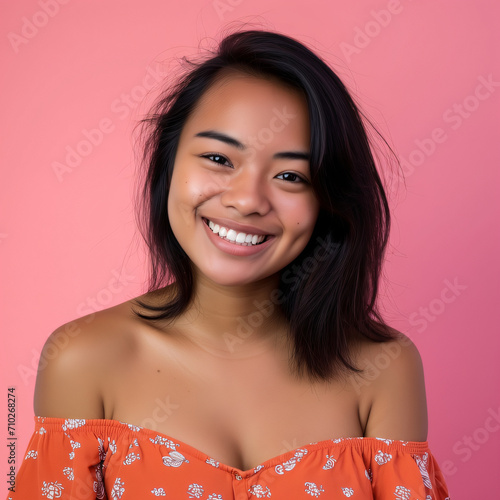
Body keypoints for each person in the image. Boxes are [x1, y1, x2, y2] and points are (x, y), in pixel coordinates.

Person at [8, 29, 450, 499]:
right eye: (219, 158)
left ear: (328, 199)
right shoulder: (83, 359)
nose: (246, 200)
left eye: (289, 175)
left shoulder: (382, 368)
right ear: (169, 163)